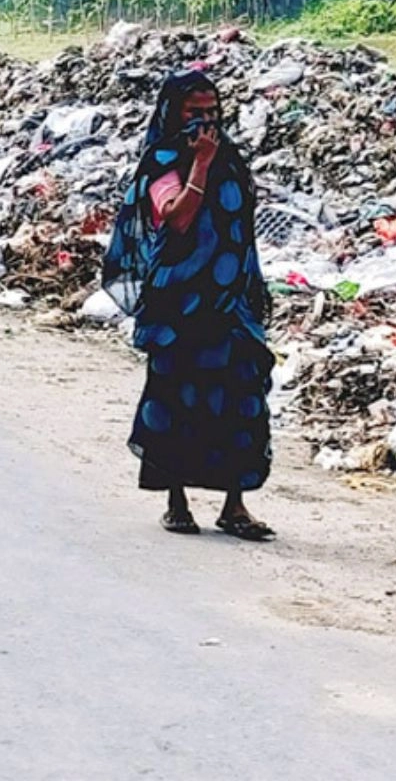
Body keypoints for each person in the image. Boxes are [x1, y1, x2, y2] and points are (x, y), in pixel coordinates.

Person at [102, 69, 276, 541]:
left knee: (241, 400)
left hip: (230, 301)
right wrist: (199, 165)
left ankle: (235, 506)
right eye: (193, 112)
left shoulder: (230, 158)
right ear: (172, 113)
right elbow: (176, 217)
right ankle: (176, 501)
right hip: (179, 304)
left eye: (212, 112)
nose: (205, 121)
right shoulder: (163, 160)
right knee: (178, 399)